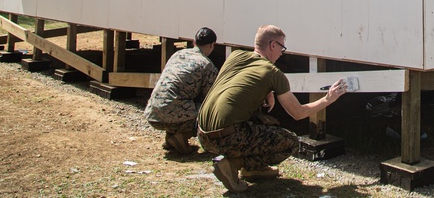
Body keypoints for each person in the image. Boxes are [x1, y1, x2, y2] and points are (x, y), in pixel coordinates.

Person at [197, 24, 348, 192]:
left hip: (203, 134)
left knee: (262, 121)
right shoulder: (273, 73)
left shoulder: (236, 56)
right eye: (282, 48)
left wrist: (267, 90)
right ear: (273, 45)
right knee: (289, 142)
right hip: (227, 138)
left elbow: (239, 85)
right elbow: (298, 113)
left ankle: (254, 169)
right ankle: (233, 164)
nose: (281, 53)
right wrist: (329, 98)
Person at [144, 27, 219, 154]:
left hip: (152, 113)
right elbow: (210, 98)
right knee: (208, 111)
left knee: (180, 100)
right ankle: (181, 137)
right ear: (212, 45)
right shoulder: (207, 65)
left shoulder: (177, 54)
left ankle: (170, 138)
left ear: (194, 42)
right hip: (173, 113)